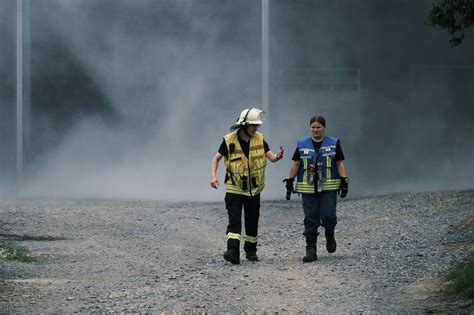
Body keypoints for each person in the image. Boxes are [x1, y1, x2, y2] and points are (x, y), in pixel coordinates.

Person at [210, 108, 284, 264]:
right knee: (234, 220)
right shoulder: (228, 140)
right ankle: (233, 252)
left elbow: (270, 157)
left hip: (254, 190)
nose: (256, 128)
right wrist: (213, 176)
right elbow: (215, 159)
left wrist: (278, 156)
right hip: (234, 189)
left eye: (257, 126)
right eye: (253, 125)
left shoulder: (259, 139)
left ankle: (251, 251)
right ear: (244, 125)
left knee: (252, 221)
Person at [283, 115, 348, 263]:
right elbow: (296, 164)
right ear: (310, 128)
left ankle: (329, 234)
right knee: (310, 218)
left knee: (328, 216)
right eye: (313, 127)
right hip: (308, 189)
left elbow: (339, 163)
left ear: (324, 128)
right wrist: (289, 182)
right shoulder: (302, 144)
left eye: (318, 127)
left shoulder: (333, 143)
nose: (315, 130)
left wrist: (344, 181)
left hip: (328, 187)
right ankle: (311, 250)